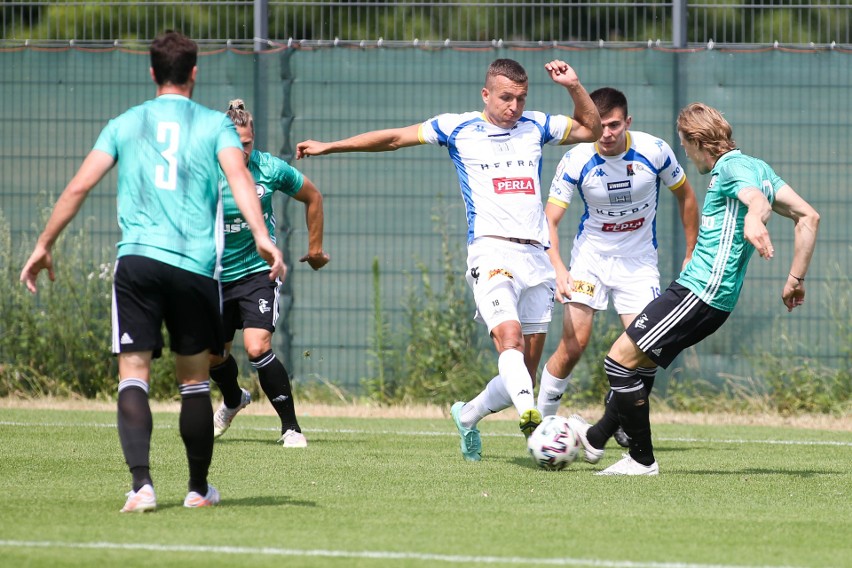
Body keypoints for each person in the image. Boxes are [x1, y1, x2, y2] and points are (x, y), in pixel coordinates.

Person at [19, 31, 286, 511]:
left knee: (134, 376)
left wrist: (44, 244)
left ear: (151, 72)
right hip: (195, 268)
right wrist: (263, 237)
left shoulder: (125, 123)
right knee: (193, 382)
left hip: (138, 262)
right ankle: (198, 490)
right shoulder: (214, 126)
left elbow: (80, 186)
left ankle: (141, 487)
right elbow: (240, 179)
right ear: (195, 72)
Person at [296, 58, 602, 461]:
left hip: (536, 255)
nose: (514, 107)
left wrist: (574, 86)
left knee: (524, 371)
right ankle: (533, 416)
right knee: (507, 340)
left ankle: (468, 414)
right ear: (486, 94)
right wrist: (331, 146)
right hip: (491, 249)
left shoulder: (537, 126)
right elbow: (393, 138)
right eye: (506, 98)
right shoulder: (456, 127)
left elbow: (591, 129)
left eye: (521, 98)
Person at [570, 102, 820, 475]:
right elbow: (809, 216)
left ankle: (641, 459)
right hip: (707, 297)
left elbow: (756, 201)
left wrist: (754, 217)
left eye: (684, 143)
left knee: (618, 362)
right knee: (638, 363)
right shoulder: (758, 166)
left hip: (701, 292)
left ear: (698, 141)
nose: (683, 151)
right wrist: (795, 279)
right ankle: (595, 438)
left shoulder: (731, 168)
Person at [535, 87, 699, 450]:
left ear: (628, 122)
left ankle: (620, 420)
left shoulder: (654, 151)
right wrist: (559, 268)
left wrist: (690, 252)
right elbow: (550, 219)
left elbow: (686, 196)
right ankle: (542, 427)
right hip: (590, 260)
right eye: (600, 125)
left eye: (613, 125)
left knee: (646, 349)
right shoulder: (577, 159)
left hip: (638, 264)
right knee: (574, 344)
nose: (606, 134)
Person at [208, 99, 329, 448]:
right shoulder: (203, 168)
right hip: (214, 277)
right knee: (214, 356)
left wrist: (316, 248)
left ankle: (291, 428)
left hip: (258, 272)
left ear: (253, 140)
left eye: (246, 144)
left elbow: (313, 196)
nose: (240, 150)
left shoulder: (270, 169)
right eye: (233, 143)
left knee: (257, 346)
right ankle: (233, 399)